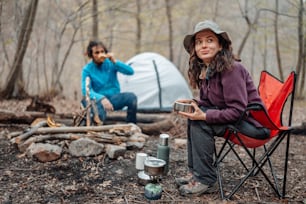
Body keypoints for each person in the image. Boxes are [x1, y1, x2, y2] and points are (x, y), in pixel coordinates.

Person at [174, 20, 270, 196]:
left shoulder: (231, 69)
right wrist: (195, 104)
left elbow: (236, 110)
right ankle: (195, 172)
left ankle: (205, 180)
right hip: (237, 119)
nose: (203, 45)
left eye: (209, 40)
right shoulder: (208, 69)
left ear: (220, 46)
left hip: (254, 125)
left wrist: (204, 116)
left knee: (200, 122)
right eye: (199, 42)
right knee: (193, 117)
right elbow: (211, 102)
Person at [81, 40, 137, 124]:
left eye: (102, 51)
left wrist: (115, 62)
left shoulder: (111, 63)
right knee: (99, 113)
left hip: (113, 98)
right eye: (96, 52)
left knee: (132, 98)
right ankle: (99, 130)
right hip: (97, 100)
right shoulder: (87, 69)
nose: (100, 54)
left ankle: (131, 125)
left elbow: (130, 71)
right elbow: (85, 90)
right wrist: (101, 98)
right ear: (91, 55)